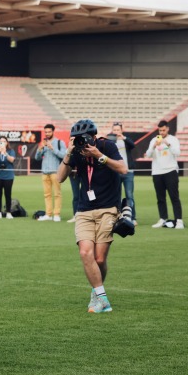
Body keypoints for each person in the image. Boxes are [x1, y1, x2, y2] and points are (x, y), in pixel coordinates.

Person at [56, 119, 127, 314]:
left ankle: (96, 292)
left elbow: (123, 169)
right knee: (85, 253)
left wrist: (99, 155)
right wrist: (69, 152)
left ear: (94, 137)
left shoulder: (107, 146)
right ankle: (102, 297)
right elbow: (59, 178)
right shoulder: (76, 153)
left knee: (100, 259)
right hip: (84, 210)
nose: (81, 142)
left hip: (108, 209)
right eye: (77, 139)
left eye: (84, 138)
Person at [145, 120, 184, 229]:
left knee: (174, 197)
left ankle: (179, 220)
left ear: (167, 129)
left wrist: (167, 143)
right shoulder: (154, 140)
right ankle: (163, 218)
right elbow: (148, 155)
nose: (161, 132)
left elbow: (177, 153)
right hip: (157, 172)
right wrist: (153, 146)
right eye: (160, 130)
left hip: (170, 171)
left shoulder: (173, 139)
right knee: (160, 198)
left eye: (163, 130)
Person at [35, 123, 67, 221]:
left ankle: (56, 214)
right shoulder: (43, 143)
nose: (47, 134)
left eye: (49, 132)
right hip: (45, 173)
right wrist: (40, 149)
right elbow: (37, 158)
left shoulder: (59, 142)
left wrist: (52, 148)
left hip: (55, 172)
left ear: (53, 131)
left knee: (57, 194)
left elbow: (63, 156)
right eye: (46, 132)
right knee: (47, 194)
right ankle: (48, 214)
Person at [110, 122, 137, 225]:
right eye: (115, 130)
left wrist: (124, 138)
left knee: (129, 195)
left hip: (128, 172)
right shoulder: (111, 141)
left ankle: (132, 217)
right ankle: (119, 216)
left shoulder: (125, 140)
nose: (116, 132)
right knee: (117, 195)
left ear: (121, 130)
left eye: (118, 130)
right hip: (116, 172)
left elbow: (133, 145)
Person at [0, 136, 15, 219]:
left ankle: (8, 212)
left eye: (4, 141)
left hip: (8, 176)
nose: (3, 143)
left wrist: (5, 153)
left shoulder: (11, 151)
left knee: (8, 194)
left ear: (7, 143)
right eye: (1, 142)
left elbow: (12, 160)